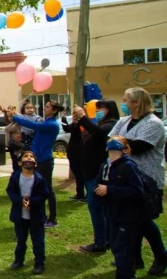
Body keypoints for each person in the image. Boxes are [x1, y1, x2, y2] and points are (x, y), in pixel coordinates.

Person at [110, 87, 167, 275]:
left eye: (126, 100)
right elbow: (110, 140)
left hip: (147, 179)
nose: (123, 104)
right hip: (125, 177)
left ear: (137, 102)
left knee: (144, 221)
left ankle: (161, 257)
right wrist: (119, 143)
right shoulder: (124, 120)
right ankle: (134, 258)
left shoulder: (154, 123)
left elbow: (139, 146)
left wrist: (120, 143)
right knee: (129, 219)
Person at [95, 136, 145, 279]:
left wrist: (110, 190)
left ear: (125, 150)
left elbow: (137, 191)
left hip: (127, 215)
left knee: (122, 249)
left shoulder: (128, 166)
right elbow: (99, 184)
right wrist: (99, 192)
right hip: (112, 213)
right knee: (116, 247)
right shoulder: (105, 166)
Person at [72, 99, 119, 253]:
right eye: (97, 108)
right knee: (99, 209)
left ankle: (101, 242)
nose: (98, 111)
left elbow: (98, 134)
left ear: (109, 109)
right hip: (91, 172)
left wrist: (83, 117)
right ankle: (106, 240)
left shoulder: (111, 125)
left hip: (98, 174)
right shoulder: (100, 124)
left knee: (97, 208)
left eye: (101, 108)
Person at [12, 100, 64, 228]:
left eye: (47, 107)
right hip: (38, 159)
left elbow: (31, 125)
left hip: (45, 160)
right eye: (45, 106)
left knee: (48, 190)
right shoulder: (45, 122)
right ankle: (41, 216)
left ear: (54, 110)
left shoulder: (52, 124)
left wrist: (15, 116)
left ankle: (53, 219)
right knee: (37, 188)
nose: (44, 108)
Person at [6, 150, 47, 275]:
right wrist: (20, 200)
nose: (29, 158)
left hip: (36, 216)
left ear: (35, 163)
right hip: (20, 216)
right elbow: (10, 191)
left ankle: (39, 263)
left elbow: (44, 195)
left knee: (38, 241)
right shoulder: (15, 177)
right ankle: (19, 260)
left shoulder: (39, 179)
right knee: (21, 240)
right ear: (19, 163)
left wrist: (31, 201)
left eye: (32, 157)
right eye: (25, 156)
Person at [60, 115, 85, 201]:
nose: (74, 118)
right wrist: (63, 119)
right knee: (77, 175)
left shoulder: (82, 125)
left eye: (76, 115)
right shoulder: (74, 125)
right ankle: (80, 193)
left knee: (81, 174)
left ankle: (85, 194)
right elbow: (66, 128)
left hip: (79, 153)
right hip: (72, 152)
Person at [2, 105, 24, 172]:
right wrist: (5, 113)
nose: (8, 112)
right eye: (7, 110)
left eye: (9, 110)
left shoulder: (18, 120)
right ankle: (16, 172)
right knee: (14, 160)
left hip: (16, 142)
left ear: (14, 110)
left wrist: (14, 114)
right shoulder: (12, 120)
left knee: (17, 160)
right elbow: (6, 122)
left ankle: (18, 172)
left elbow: (8, 128)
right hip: (11, 143)